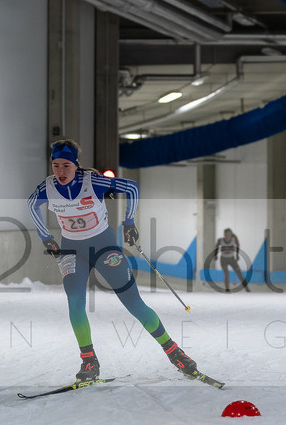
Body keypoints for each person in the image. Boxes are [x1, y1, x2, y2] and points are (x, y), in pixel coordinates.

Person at [28, 139, 199, 381]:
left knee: (132, 302)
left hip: (104, 246)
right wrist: (46, 237)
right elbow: (31, 205)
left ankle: (174, 352)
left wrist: (129, 222)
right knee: (75, 302)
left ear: (76, 165)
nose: (60, 172)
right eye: (56, 166)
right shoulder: (47, 188)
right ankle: (89, 361)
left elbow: (132, 188)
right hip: (72, 250)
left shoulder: (92, 182)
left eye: (66, 165)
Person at [210, 228, 250, 292]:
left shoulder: (234, 239)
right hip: (223, 259)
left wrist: (237, 255)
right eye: (226, 235)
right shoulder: (220, 240)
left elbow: (238, 245)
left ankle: (247, 288)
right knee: (226, 274)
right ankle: (227, 289)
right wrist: (216, 255)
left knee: (239, 274)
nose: (227, 236)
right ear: (224, 235)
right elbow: (216, 247)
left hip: (232, 259)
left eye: (229, 235)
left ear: (231, 235)